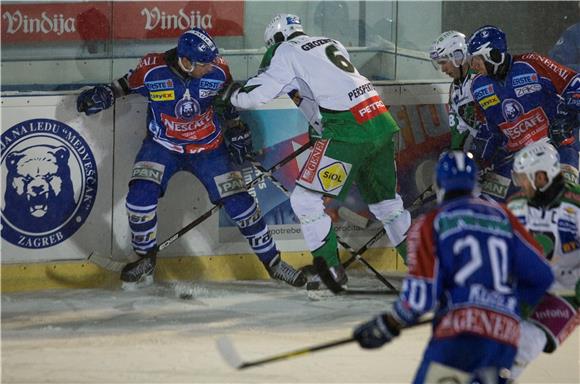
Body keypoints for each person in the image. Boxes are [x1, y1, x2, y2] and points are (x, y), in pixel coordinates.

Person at [76, 28, 306, 288]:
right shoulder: (152, 68)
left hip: (209, 150)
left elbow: (227, 101)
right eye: (203, 64)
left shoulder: (217, 68)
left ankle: (274, 263)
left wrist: (236, 128)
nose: (210, 68)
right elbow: (124, 85)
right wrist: (105, 94)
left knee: (242, 205)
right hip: (162, 147)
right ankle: (145, 260)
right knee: (139, 199)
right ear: (186, 61)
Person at [222, 14, 411, 292]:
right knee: (387, 205)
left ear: (275, 40)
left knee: (305, 201)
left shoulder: (284, 50)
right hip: (379, 121)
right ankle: (427, 267)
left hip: (347, 130)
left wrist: (232, 95)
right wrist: (319, 130)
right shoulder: (329, 42)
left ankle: (329, 270)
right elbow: (329, 87)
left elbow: (255, 94)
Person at [353, 151, 554, 384]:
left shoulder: (430, 223)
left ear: (439, 183)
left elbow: (420, 298)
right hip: (503, 338)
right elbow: (542, 276)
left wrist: (387, 324)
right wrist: (507, 306)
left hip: (458, 339)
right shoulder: (503, 217)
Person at [467, 25, 580, 203]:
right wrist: (477, 158)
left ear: (493, 55)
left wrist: (566, 118)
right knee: (485, 203)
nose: (473, 66)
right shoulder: (478, 86)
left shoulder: (533, 63)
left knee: (568, 199)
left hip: (559, 148)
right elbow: (488, 129)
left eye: (476, 60)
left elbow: (575, 85)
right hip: (517, 159)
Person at [507, 140, 580, 380]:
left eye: (525, 178)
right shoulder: (516, 205)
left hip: (566, 293)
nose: (521, 185)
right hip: (526, 290)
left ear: (541, 177)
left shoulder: (576, 205)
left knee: (524, 345)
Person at [429, 30, 485, 152]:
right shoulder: (454, 88)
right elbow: (459, 128)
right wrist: (455, 153)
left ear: (458, 56)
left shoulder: (481, 80)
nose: (443, 69)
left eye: (444, 62)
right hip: (479, 148)